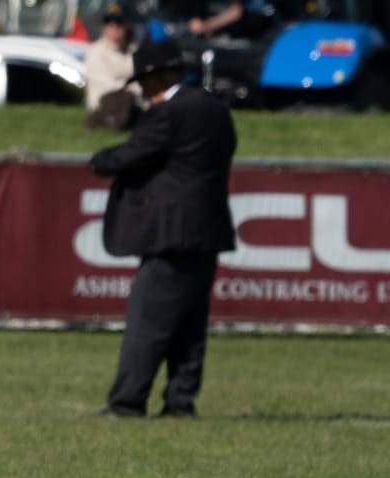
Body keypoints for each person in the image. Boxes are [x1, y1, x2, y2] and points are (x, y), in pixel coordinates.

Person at [89, 39, 236, 418]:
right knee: (189, 325)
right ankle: (180, 402)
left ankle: (126, 403)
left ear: (156, 76)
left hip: (169, 232)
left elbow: (133, 154)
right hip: (207, 231)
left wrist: (100, 158)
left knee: (147, 322)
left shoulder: (169, 112)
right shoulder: (215, 108)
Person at [83, 1, 141, 130]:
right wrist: (133, 89)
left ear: (127, 25)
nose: (114, 27)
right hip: (106, 102)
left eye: (119, 23)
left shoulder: (134, 51)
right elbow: (105, 84)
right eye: (109, 23)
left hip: (134, 101)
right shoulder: (95, 51)